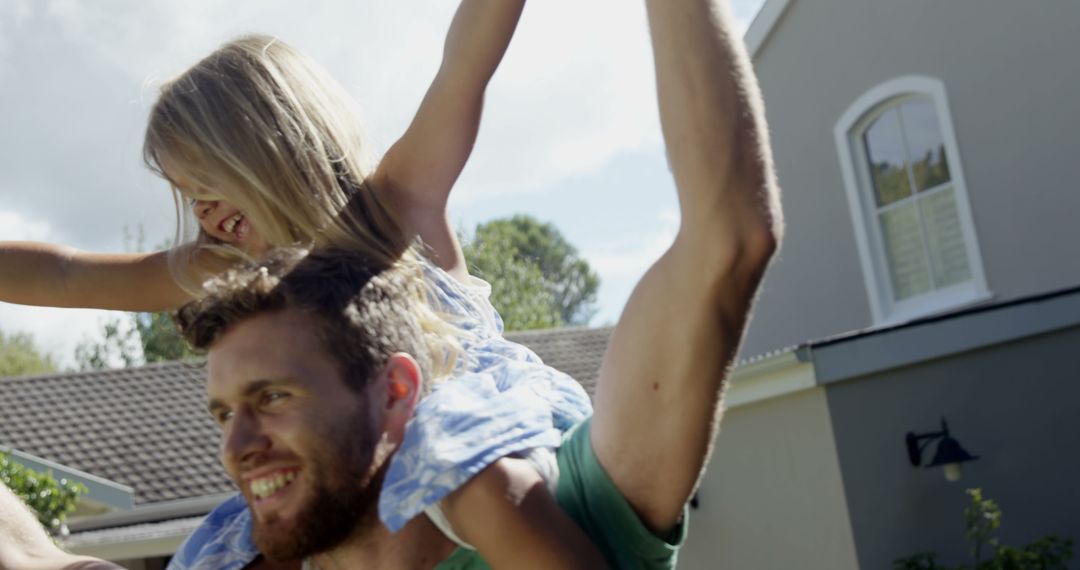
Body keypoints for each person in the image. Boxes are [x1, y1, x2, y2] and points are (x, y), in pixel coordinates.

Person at [0, 0, 783, 566]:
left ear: (264, 146)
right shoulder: (223, 269)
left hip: (482, 434)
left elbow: (465, 62)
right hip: (368, 478)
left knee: (456, 468)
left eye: (206, 180)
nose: (198, 208)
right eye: (182, 191)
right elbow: (67, 272)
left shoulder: (395, 203)